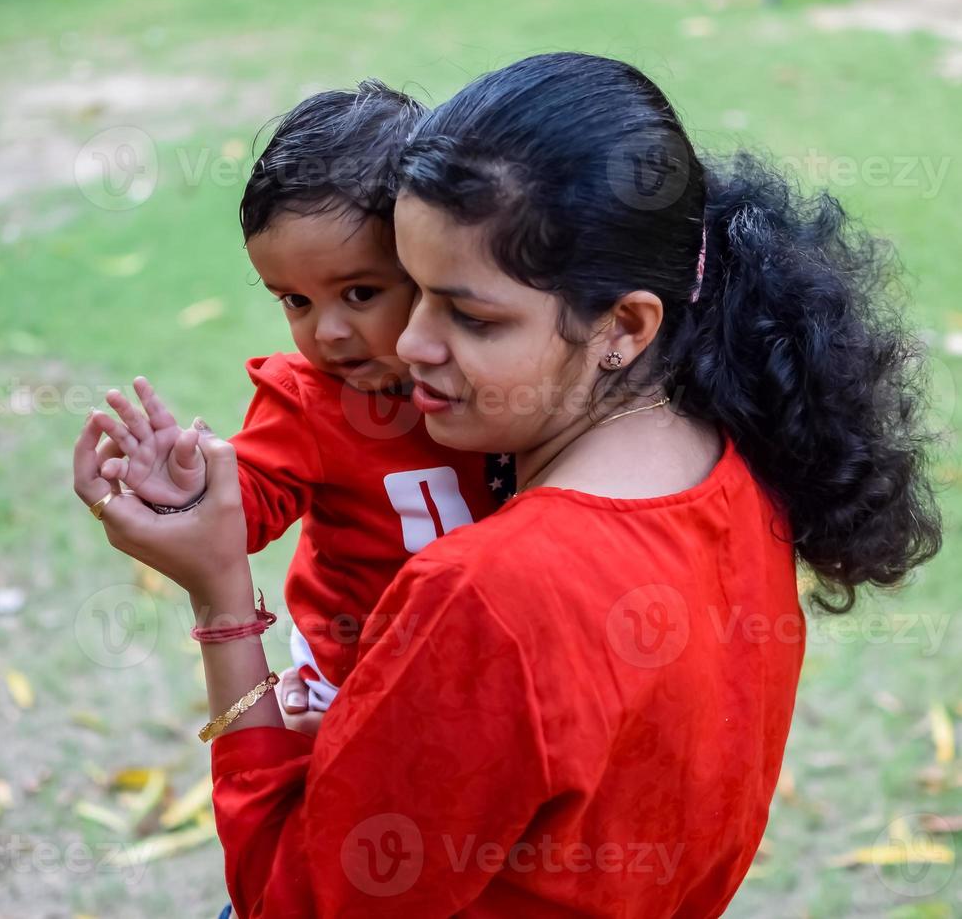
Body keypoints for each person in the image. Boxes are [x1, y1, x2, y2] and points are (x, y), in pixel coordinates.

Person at [73, 52, 942, 917]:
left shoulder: (490, 594)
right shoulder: (739, 465)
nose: (407, 344)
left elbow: (289, 902)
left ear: (624, 325)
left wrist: (222, 597)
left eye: (470, 315)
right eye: (413, 290)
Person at [87, 80, 502, 715]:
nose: (328, 331)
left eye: (361, 293)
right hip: (357, 672)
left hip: (492, 654)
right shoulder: (305, 400)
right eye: (296, 301)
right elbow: (249, 504)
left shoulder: (496, 374)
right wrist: (189, 487)